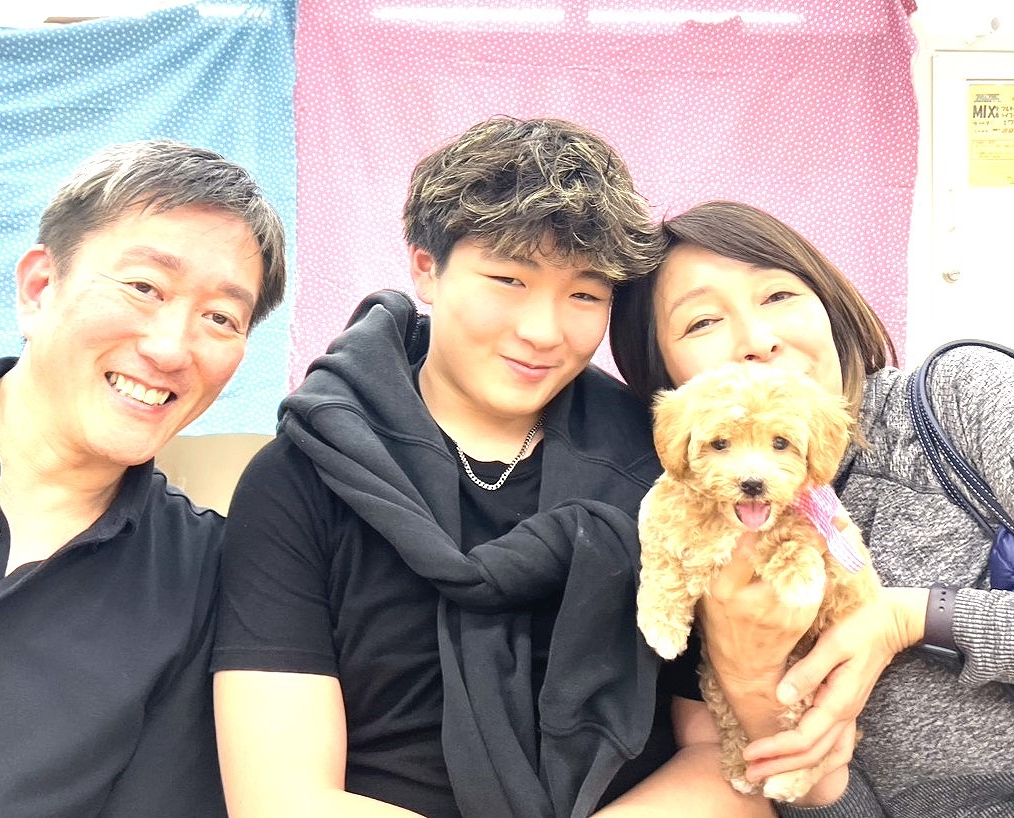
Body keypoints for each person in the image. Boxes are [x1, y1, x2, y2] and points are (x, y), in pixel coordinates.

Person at [211, 118, 775, 817]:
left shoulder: (665, 468)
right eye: (508, 279)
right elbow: (280, 796)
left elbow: (726, 756)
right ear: (426, 267)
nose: (542, 332)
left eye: (584, 294)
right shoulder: (303, 478)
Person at [609, 199, 1014, 816]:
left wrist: (913, 618)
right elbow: (811, 795)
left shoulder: (960, 398)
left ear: (827, 300)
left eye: (778, 295)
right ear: (661, 373)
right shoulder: (684, 528)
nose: (758, 341)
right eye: (702, 322)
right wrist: (750, 683)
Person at [0, 139, 287, 816]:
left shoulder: (205, 582)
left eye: (220, 318)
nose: (171, 349)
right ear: (40, 286)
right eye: (145, 287)